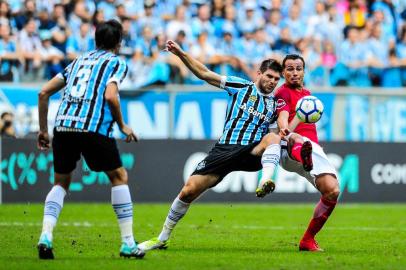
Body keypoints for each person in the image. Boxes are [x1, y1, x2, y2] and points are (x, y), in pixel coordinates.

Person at [138, 40, 283, 251]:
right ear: (259, 74)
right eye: (269, 76)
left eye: (276, 79)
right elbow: (205, 73)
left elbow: (278, 133)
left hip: (251, 152)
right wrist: (180, 53)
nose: (272, 82)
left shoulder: (273, 105)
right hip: (225, 149)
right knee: (188, 191)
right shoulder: (241, 86)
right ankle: (162, 238)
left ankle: (266, 180)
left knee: (272, 138)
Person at [36, 19, 145, 260]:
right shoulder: (116, 63)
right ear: (118, 43)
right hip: (93, 127)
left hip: (63, 127)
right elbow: (111, 96)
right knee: (119, 177)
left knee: (60, 183)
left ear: (96, 40)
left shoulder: (78, 62)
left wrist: (43, 130)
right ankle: (128, 242)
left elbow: (43, 93)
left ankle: (46, 235)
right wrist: (122, 125)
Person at [274, 54, 340, 251]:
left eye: (298, 68)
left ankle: (307, 240)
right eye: (290, 69)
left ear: (304, 71)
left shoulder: (308, 95)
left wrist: (317, 147)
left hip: (311, 149)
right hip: (289, 147)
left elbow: (310, 127)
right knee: (298, 140)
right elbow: (283, 117)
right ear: (283, 72)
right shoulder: (282, 93)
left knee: (332, 191)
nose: (294, 73)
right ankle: (303, 153)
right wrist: (285, 128)